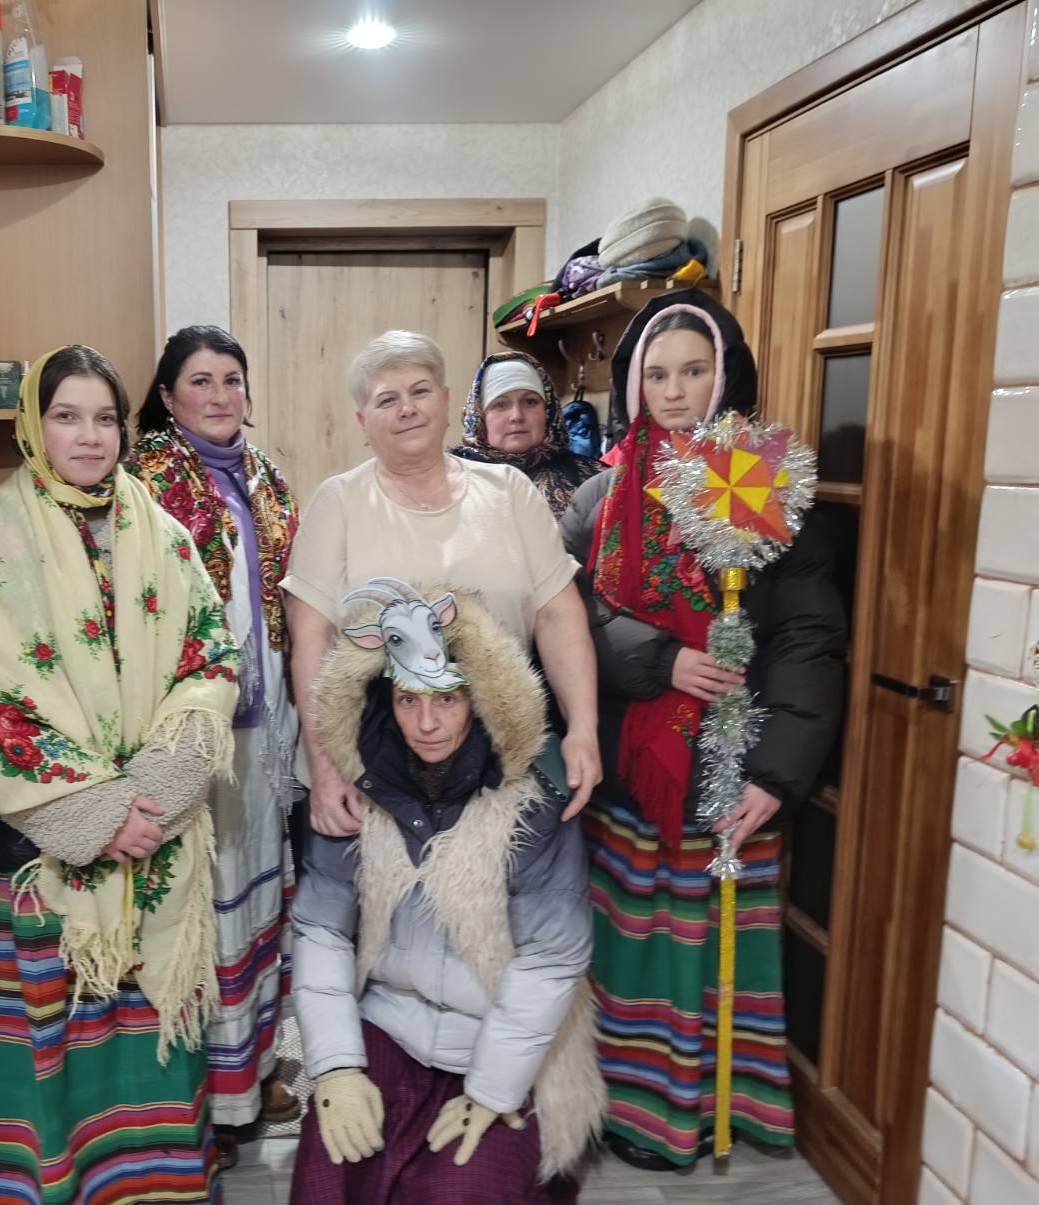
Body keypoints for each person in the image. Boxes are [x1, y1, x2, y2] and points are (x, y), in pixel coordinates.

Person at [0, 345, 241, 1204]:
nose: (88, 435)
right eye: (66, 416)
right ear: (33, 425)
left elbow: (211, 660)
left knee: (150, 1042)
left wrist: (154, 800)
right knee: (55, 1057)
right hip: (43, 850)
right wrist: (97, 816)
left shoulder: (164, 532)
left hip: (156, 835)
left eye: (105, 417)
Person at [559, 291, 846, 1169]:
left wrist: (777, 772)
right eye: (657, 374)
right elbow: (563, 614)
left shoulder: (765, 485)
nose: (675, 390)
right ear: (633, 384)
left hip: (729, 757)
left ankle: (698, 1113)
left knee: (708, 946)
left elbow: (807, 636)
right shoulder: (601, 495)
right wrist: (660, 659)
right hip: (628, 759)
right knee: (628, 940)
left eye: (694, 370)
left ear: (726, 377)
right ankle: (618, 1107)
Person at [289, 577, 604, 1204]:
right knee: (329, 1167)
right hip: (388, 1022)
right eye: (408, 700)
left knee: (458, 1188)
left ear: (482, 699)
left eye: (449, 699)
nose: (427, 723)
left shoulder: (534, 807)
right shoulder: (358, 797)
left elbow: (551, 960)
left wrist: (491, 1090)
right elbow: (320, 931)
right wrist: (338, 1066)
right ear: (383, 702)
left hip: (501, 1035)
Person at [281, 330, 602, 841]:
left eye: (420, 390)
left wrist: (582, 729)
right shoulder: (337, 502)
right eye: (387, 399)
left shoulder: (509, 492)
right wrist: (325, 767)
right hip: (367, 773)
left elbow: (557, 614)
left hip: (500, 766)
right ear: (362, 422)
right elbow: (311, 640)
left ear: (447, 400)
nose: (407, 408)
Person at [127, 325, 302, 1162]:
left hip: (267, 723)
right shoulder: (143, 481)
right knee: (202, 903)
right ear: (168, 396)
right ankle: (205, 1101)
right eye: (201, 380)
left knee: (261, 896)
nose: (221, 394)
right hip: (189, 728)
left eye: (233, 378)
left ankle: (255, 1068)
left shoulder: (266, 478)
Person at [450, 349, 603, 517]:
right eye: (500, 405)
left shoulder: (593, 483)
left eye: (530, 402)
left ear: (548, 411)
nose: (517, 416)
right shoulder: (449, 482)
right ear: (480, 417)